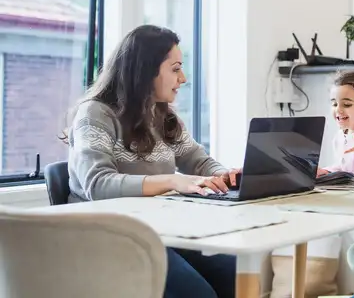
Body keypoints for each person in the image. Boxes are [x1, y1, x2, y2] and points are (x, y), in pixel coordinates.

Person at [62, 24, 237, 298]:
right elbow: (98, 184)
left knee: (235, 276)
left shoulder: (163, 116)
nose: (184, 78)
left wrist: (225, 176)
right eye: (176, 68)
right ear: (145, 70)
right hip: (109, 238)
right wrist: (172, 181)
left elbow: (198, 162)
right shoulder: (95, 114)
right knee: (196, 294)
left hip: (159, 232)